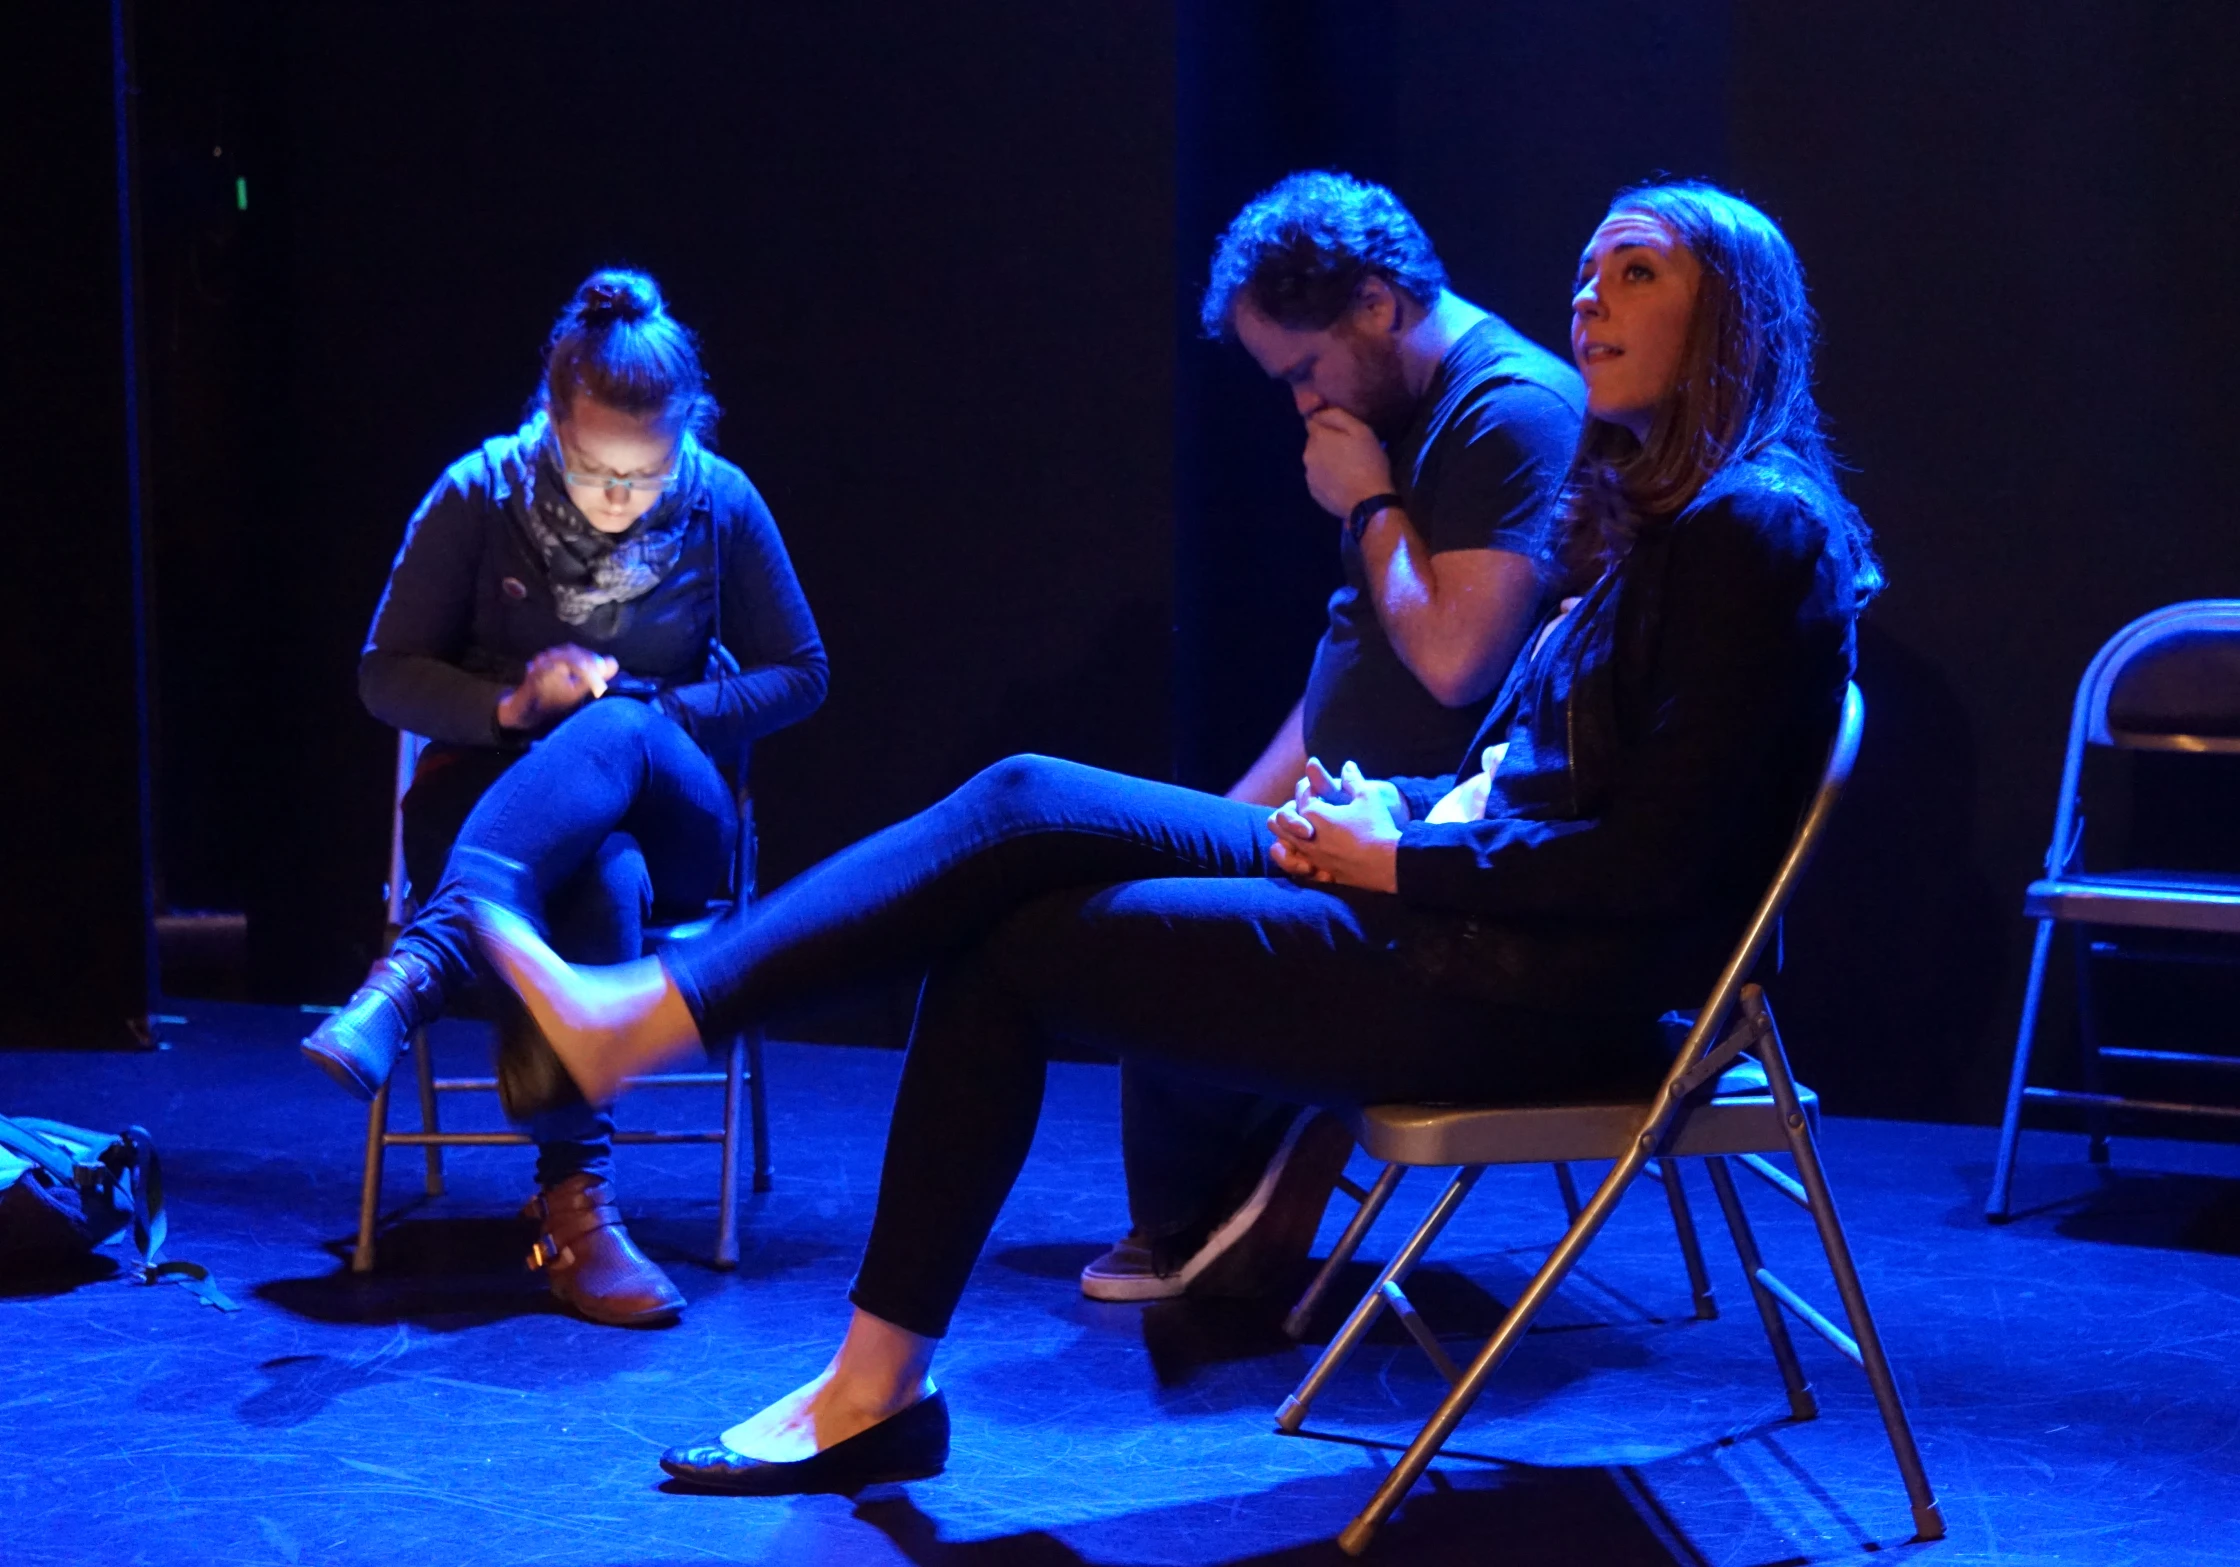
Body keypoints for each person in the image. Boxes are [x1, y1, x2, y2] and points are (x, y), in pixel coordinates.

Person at [470, 180, 1880, 1493]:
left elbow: (1654, 865)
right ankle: (832, 1321)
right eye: (1581, 274)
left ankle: (753, 1180)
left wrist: (1397, 856)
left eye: (1633, 274)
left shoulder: (1751, 532)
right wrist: (1396, 813)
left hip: (1521, 986)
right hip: (1459, 915)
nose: (1586, 301)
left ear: (1732, 312)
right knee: (1020, 832)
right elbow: (1535, 777)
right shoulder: (1669, 518)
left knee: (1017, 898)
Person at [298, 268, 828, 1326]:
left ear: (685, 431)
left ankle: (417, 969)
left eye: (646, 471)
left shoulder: (721, 501)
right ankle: (576, 1211)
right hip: (500, 816)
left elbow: (802, 672)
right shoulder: (478, 493)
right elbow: (383, 673)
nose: (620, 498)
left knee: (619, 723)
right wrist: (510, 706)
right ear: (551, 420)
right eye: (595, 470)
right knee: (597, 869)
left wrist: (645, 704)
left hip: (672, 801)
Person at [1093, 171, 1586, 1304]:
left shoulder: (1510, 412)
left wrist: (1366, 502)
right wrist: (1232, 811)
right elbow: (1355, 659)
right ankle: (1207, 1203)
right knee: (1131, 867)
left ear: (1375, 303)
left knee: (1154, 931)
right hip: (1349, 799)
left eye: (1303, 367)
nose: (1300, 402)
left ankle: (1221, 1209)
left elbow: (1456, 659)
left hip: (1425, 843)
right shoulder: (1414, 418)